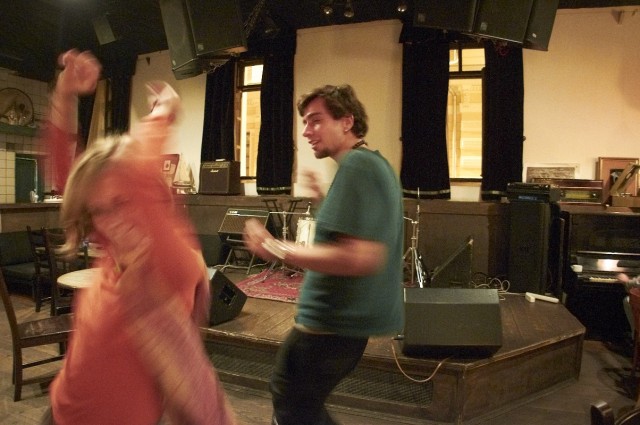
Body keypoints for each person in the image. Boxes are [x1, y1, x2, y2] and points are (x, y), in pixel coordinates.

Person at [40, 49, 237, 425]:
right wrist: (64, 93)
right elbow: (68, 172)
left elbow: (138, 166)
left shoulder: (169, 257)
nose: (112, 222)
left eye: (121, 202)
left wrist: (165, 112)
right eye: (100, 210)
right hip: (60, 411)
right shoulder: (113, 243)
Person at [243, 84, 405, 425]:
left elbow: (360, 257)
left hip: (333, 323)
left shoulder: (360, 166)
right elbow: (348, 232)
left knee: (291, 404)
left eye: (316, 120)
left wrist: (275, 247)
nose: (306, 131)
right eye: (305, 122)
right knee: (298, 405)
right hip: (338, 324)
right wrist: (321, 199)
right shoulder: (367, 164)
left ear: (346, 122)